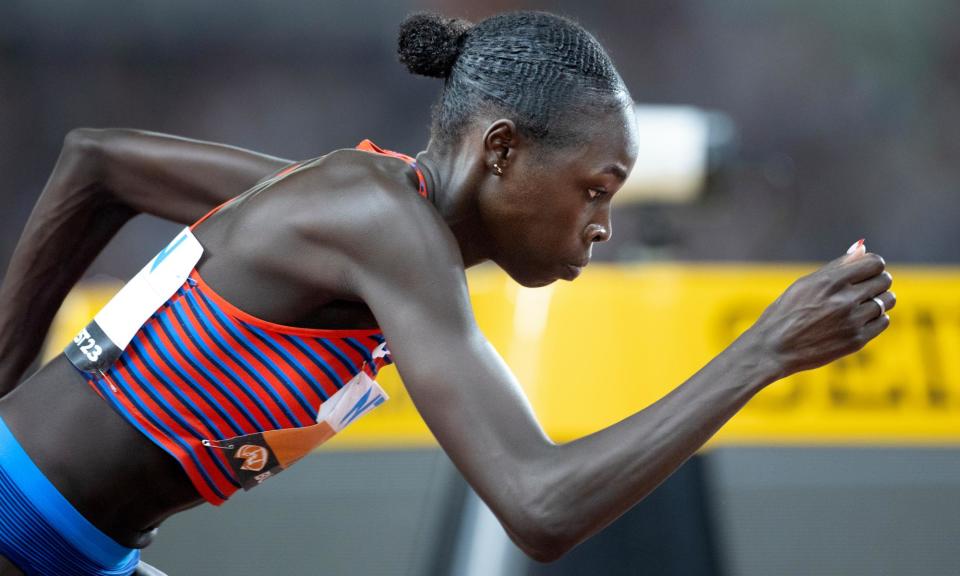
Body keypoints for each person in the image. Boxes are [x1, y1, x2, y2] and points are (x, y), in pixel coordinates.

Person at [0, 11, 895, 576]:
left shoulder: (353, 205)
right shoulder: (381, 223)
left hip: (83, 548)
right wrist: (762, 352)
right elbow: (541, 507)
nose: (602, 226)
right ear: (501, 151)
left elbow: (101, 164)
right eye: (595, 187)